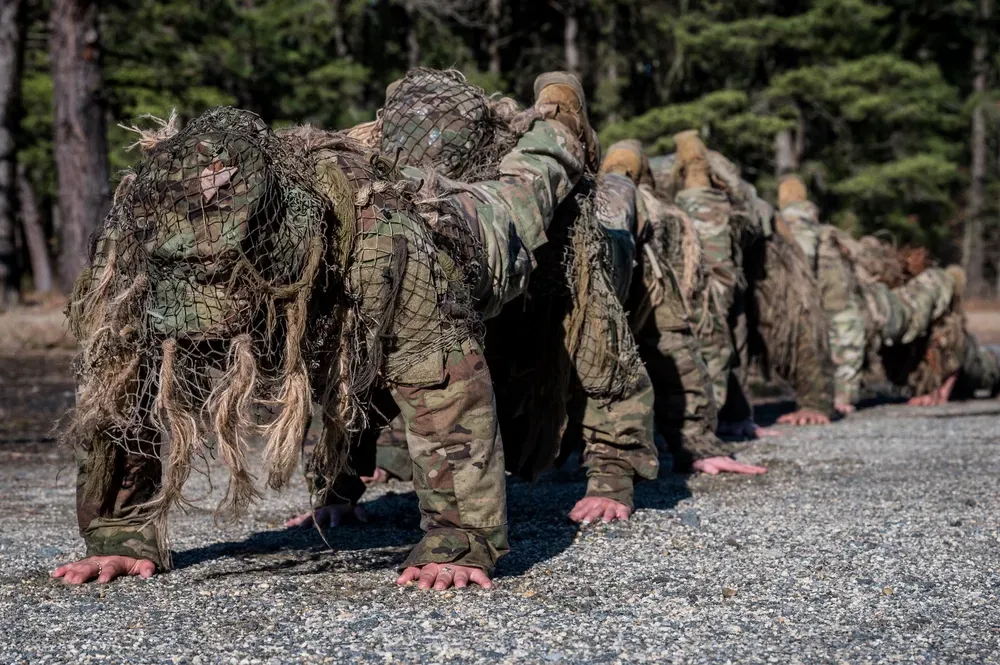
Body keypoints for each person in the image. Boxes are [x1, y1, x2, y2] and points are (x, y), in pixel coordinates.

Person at [53, 71, 600, 591]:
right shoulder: (152, 247)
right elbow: (122, 391)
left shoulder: (382, 248)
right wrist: (119, 532)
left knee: (525, 190)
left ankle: (557, 118)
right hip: (312, 236)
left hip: (457, 229)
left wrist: (457, 538)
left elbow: (444, 388)